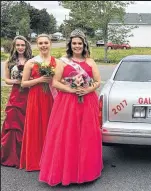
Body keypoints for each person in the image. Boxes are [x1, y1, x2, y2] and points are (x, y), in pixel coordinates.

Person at [39, 29, 103, 186]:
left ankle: (86, 170)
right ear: (70, 45)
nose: (77, 46)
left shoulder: (90, 62)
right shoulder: (62, 61)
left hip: (87, 102)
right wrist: (72, 90)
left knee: (86, 135)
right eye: (74, 43)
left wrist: (87, 89)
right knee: (68, 134)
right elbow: (55, 82)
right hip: (67, 103)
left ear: (84, 44)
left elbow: (97, 81)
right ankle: (66, 171)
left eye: (79, 43)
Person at [19, 34, 57, 171]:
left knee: (50, 127)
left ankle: (50, 159)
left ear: (50, 43)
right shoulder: (31, 62)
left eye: (46, 42)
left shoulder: (57, 62)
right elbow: (23, 83)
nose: (43, 45)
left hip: (52, 98)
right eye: (40, 43)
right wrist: (39, 80)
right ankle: (35, 160)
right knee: (36, 127)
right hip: (35, 98)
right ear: (37, 44)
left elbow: (59, 81)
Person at [1, 36, 32, 168]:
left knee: (27, 122)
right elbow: (6, 80)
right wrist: (17, 81)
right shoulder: (9, 61)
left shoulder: (32, 60)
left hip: (29, 94)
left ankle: (26, 155)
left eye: (22, 45)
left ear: (26, 46)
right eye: (18, 45)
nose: (20, 47)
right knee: (13, 123)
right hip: (16, 94)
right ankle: (11, 156)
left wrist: (26, 81)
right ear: (14, 46)